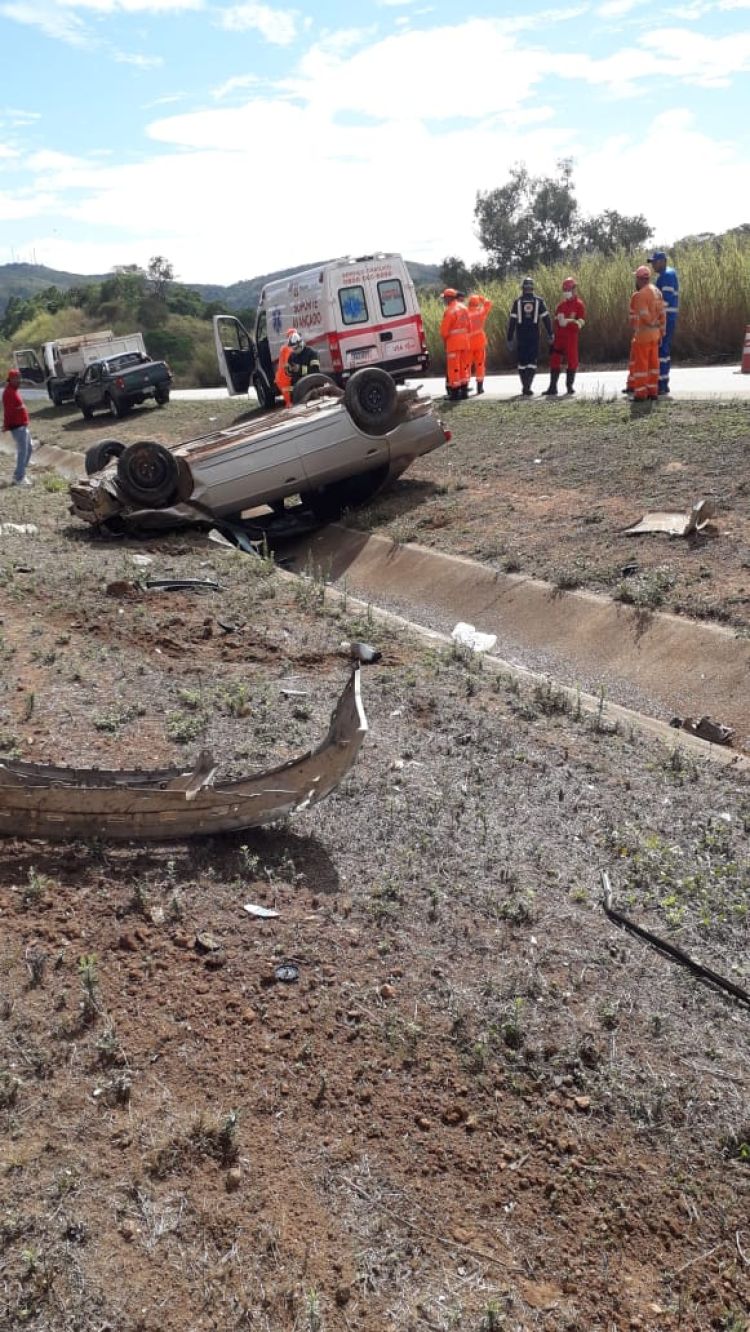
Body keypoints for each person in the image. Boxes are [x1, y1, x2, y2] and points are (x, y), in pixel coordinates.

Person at [506, 277, 553, 396]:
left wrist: (510, 338)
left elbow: (512, 321)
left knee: (522, 362)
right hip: (534, 335)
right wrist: (550, 333)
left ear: (523, 288)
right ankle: (528, 386)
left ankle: (524, 386)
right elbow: (546, 319)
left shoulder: (517, 302)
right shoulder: (539, 301)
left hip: (521, 336)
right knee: (532, 361)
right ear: (532, 288)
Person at [627, 265, 666, 401]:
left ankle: (640, 394)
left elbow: (644, 315)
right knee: (653, 365)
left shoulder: (641, 294)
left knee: (641, 366)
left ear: (639, 279)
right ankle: (652, 392)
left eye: (636, 278)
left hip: (643, 336)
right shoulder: (657, 291)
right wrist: (661, 331)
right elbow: (662, 314)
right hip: (655, 335)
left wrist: (650, 322)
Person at [543, 276, 586, 397]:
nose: (566, 293)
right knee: (554, 360)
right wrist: (558, 322)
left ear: (573, 290)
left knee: (572, 361)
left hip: (571, 337)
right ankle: (552, 387)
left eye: (568, 290)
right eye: (565, 290)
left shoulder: (579, 305)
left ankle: (569, 387)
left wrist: (569, 322)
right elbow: (556, 321)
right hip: (559, 337)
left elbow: (581, 322)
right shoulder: (560, 305)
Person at [648, 249, 679, 395]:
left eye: (655, 262)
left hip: (665, 318)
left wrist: (654, 318)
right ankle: (663, 382)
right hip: (669, 317)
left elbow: (664, 301)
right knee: (664, 349)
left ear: (663, 261)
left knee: (661, 350)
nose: (653, 265)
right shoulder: (669, 273)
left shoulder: (665, 276)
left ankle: (661, 384)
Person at [439, 288, 471, 400]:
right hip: (465, 342)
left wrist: (444, 340)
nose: (444, 300)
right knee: (464, 367)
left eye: (445, 298)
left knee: (453, 369)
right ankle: (464, 392)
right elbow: (469, 327)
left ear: (449, 298)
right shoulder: (464, 308)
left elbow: (444, 331)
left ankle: (455, 393)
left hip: (453, 344)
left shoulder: (450, 311)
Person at [2, 368, 33, 486]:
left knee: (29, 449)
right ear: (10, 379)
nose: (19, 380)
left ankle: (20, 473)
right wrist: (6, 425)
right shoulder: (9, 392)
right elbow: (8, 412)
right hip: (17, 427)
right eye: (16, 378)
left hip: (23, 426)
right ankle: (19, 477)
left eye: (19, 377)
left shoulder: (14, 390)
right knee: (23, 451)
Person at [467, 292, 493, 395]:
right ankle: (480, 388)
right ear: (477, 303)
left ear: (469, 303)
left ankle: (465, 386)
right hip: (480, 342)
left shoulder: (465, 314)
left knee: (467, 366)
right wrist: (481, 297)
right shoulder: (480, 312)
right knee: (480, 365)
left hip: (468, 343)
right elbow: (488, 303)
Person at [275, 328, 297, 407]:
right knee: (290, 397)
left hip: (282, 377)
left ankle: (290, 404)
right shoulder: (287, 349)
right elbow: (289, 363)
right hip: (284, 377)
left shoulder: (285, 348)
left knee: (290, 394)